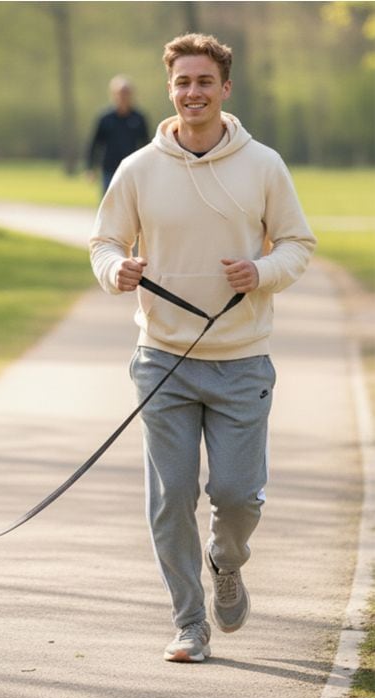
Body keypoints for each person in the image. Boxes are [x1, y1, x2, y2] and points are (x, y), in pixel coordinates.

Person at [89, 33, 315, 663]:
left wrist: (260, 272)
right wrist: (116, 271)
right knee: (171, 499)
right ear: (170, 89)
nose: (194, 92)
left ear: (225, 89)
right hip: (163, 360)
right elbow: (104, 242)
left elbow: (297, 243)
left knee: (238, 496)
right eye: (183, 82)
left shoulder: (263, 165)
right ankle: (190, 622)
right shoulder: (139, 168)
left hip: (242, 361)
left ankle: (226, 559)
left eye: (205, 82)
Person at [86, 75, 150, 194]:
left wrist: (148, 168)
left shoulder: (139, 118)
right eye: (120, 93)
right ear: (113, 94)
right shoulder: (105, 118)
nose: (123, 97)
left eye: (126, 93)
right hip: (109, 170)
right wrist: (90, 168)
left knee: (131, 203)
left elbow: (146, 145)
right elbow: (95, 144)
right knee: (109, 203)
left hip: (132, 170)